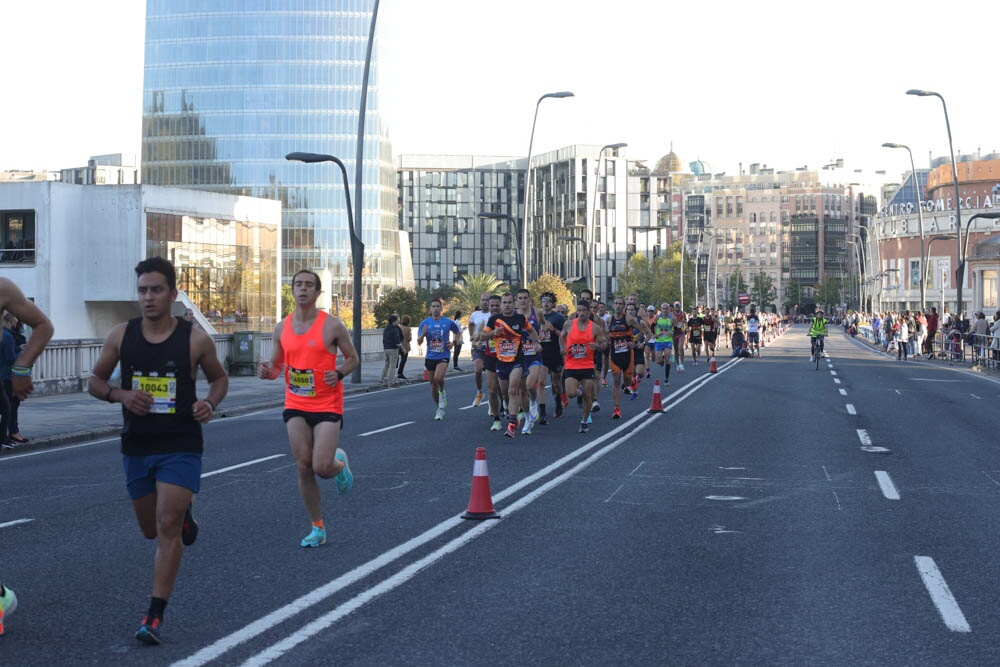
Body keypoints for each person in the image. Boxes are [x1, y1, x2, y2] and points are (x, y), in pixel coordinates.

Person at [88, 257, 228, 645]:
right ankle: (183, 516)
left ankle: (154, 615)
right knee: (151, 528)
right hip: (137, 445)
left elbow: (219, 379)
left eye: (156, 290)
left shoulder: (195, 339)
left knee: (166, 526)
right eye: (142, 291)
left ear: (173, 293)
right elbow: (95, 382)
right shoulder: (121, 335)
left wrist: (210, 404)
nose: (148, 298)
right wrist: (120, 394)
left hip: (181, 444)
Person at [258, 268, 356, 551]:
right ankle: (317, 528)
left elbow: (353, 358)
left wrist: (338, 374)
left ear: (317, 292)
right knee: (303, 467)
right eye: (298, 284)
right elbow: (277, 366)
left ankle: (338, 465)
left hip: (327, 402)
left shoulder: (332, 326)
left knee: (321, 467)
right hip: (296, 402)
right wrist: (268, 372)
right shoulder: (281, 328)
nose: (302, 289)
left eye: (308, 285)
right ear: (292, 290)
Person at [482, 292, 537, 438]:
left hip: (517, 360)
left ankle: (512, 424)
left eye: (509, 302)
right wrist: (494, 332)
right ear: (501, 305)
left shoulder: (520, 318)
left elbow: (531, 331)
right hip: (500, 361)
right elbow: (482, 336)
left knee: (514, 390)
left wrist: (536, 343)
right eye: (504, 303)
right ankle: (518, 414)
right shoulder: (494, 319)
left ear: (514, 304)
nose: (507, 305)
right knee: (505, 393)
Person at [560, 299, 606, 433]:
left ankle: (584, 421)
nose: (581, 313)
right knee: (571, 393)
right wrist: (562, 347)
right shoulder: (568, 324)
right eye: (579, 310)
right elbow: (561, 337)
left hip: (587, 365)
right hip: (571, 365)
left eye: (584, 310)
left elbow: (604, 344)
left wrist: (597, 346)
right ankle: (578, 393)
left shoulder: (595, 328)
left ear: (589, 311)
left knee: (588, 395)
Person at [417, 299, 461, 420]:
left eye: (438, 306)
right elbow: (419, 342)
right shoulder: (425, 323)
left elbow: (458, 332)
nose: (436, 308)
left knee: (438, 378)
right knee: (432, 385)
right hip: (430, 356)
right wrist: (423, 334)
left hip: (443, 355)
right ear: (430, 309)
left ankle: (442, 391)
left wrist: (453, 343)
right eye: (433, 306)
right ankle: (439, 409)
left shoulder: (448, 322)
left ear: (441, 308)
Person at [538, 291, 566, 419]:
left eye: (548, 301)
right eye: (543, 301)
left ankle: (558, 400)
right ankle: (542, 412)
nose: (546, 303)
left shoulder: (558, 318)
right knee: (541, 382)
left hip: (555, 353)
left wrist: (553, 329)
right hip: (541, 353)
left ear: (553, 303)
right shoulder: (537, 317)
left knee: (556, 382)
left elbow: (565, 336)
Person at [468, 294, 492, 407]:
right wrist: (472, 335)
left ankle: (493, 404)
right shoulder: (475, 314)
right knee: (477, 370)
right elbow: (470, 324)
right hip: (478, 347)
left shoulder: (494, 314)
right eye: (482, 300)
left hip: (492, 348)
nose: (485, 302)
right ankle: (479, 392)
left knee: (492, 377)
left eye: (487, 300)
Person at [0, 315, 15, 448]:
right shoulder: (8, 336)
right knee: (6, 409)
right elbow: (11, 359)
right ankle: (3, 438)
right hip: (5, 377)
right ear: (10, 320)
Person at [379, 314, 401, 385]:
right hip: (393, 349)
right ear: (394, 321)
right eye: (398, 320)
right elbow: (397, 341)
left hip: (386, 348)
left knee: (387, 364)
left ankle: (381, 379)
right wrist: (403, 348)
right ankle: (390, 382)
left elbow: (383, 339)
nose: (399, 321)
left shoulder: (386, 329)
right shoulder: (395, 329)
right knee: (392, 366)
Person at [396, 314, 412, 380]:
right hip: (405, 346)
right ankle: (400, 373)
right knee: (403, 360)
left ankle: (393, 371)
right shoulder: (408, 329)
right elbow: (409, 338)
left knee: (396, 359)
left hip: (398, 345)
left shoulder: (398, 327)